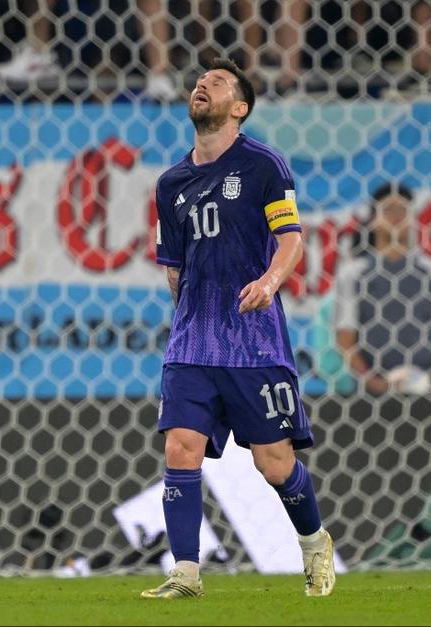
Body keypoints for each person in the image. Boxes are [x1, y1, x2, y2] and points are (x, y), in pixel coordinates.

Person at [141, 58, 336, 599]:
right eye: (200, 80)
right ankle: (185, 573)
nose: (203, 84)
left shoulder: (265, 166)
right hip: (193, 342)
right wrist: (191, 313)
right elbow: (173, 268)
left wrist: (270, 282)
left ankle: (315, 543)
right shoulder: (171, 183)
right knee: (180, 446)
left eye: (218, 83)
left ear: (240, 108)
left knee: (274, 463)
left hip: (254, 340)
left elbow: (292, 239)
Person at [333, 182, 431, 395]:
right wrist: (374, 384)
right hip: (370, 394)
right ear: (373, 220)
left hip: (424, 389)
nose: (396, 215)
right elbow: (345, 339)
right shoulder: (353, 274)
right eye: (388, 209)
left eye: (404, 210)